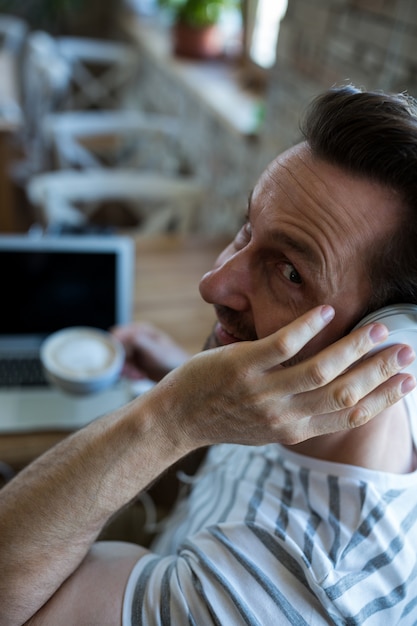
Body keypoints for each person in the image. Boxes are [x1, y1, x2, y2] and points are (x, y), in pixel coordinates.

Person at [1, 84, 417, 626]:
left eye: (289, 272)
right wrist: (185, 374)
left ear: (389, 340)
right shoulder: (300, 398)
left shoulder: (268, 590)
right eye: (246, 230)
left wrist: (175, 414)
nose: (213, 283)